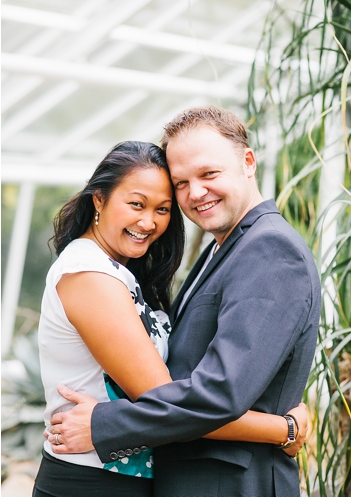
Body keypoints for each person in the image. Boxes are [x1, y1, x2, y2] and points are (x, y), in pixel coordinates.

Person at [48, 107, 322, 497]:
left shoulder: (271, 249)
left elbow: (220, 392)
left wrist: (106, 424)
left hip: (230, 483)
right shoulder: (224, 249)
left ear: (248, 162)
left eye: (209, 174)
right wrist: (285, 428)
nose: (195, 193)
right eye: (182, 182)